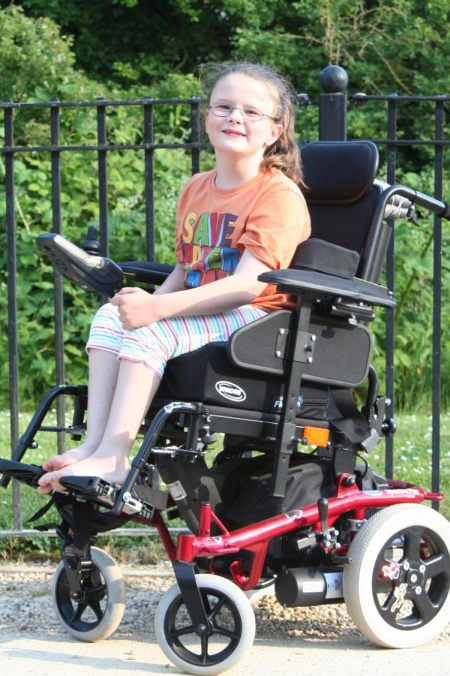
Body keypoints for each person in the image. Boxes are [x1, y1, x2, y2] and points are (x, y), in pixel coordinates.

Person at [37, 61, 311, 494]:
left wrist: (158, 311)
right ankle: (93, 445)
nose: (235, 118)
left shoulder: (277, 194)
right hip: (204, 308)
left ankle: (114, 457)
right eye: (223, 107)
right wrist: (145, 307)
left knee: (152, 331)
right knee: (109, 319)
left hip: (257, 318)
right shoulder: (197, 187)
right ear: (207, 117)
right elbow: (186, 269)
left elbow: (249, 285)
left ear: (274, 131)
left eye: (251, 112)